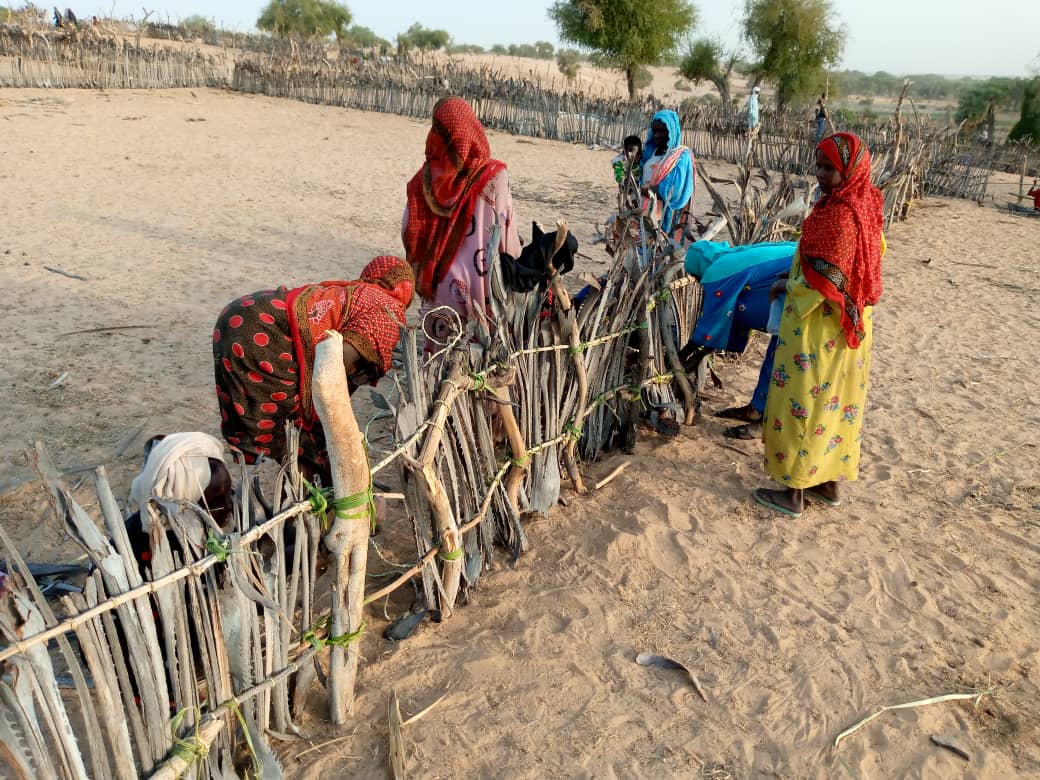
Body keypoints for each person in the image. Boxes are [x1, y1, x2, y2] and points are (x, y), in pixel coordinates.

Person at [752, 132, 885, 518]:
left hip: (818, 329)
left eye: (830, 168)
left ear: (851, 170)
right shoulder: (865, 206)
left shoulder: (841, 217)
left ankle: (792, 490)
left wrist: (784, 285)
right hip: (852, 331)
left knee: (803, 401)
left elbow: (823, 284)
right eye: (819, 166)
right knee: (837, 404)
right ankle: (827, 482)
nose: (821, 174)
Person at [213, 256, 415, 483]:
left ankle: (312, 497)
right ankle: (313, 501)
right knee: (300, 440)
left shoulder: (354, 291)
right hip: (263, 335)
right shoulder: (388, 312)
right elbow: (336, 363)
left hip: (242, 317)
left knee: (302, 439)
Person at [402, 96, 522, 349]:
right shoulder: (494, 176)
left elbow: (409, 230)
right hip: (483, 283)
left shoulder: (423, 179)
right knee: (481, 355)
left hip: (440, 284)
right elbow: (506, 231)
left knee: (438, 356)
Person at [677, 239, 798, 439]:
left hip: (804, 296)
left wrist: (686, 355)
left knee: (784, 364)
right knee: (776, 355)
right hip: (797, 286)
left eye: (694, 276)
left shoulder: (719, 270)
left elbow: (717, 317)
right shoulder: (732, 258)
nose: (697, 281)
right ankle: (757, 409)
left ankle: (764, 423)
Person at [639, 110, 695, 243]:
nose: (657, 135)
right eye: (655, 130)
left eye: (663, 131)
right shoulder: (649, 152)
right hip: (643, 211)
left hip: (666, 217)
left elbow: (674, 193)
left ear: (672, 131)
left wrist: (646, 190)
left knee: (661, 252)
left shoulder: (681, 157)